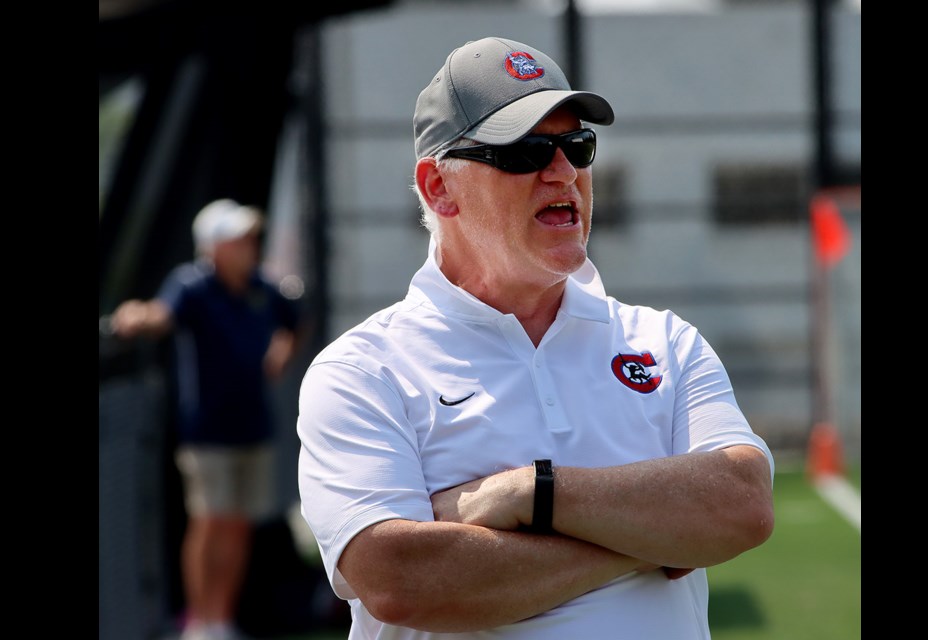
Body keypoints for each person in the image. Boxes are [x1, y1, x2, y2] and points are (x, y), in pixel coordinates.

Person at [296, 36, 775, 639]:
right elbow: (399, 579)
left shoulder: (666, 342)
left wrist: (530, 493)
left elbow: (742, 504)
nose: (564, 171)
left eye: (578, 146)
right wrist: (656, 539)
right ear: (438, 186)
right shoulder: (362, 371)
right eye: (524, 152)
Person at [112, 199, 303, 640]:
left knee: (237, 525)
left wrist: (279, 357)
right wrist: (135, 315)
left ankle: (222, 620)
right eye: (238, 240)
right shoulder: (192, 285)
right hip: (206, 433)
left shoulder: (260, 286)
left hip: (252, 428)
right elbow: (160, 315)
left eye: (250, 239)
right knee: (209, 523)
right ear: (213, 247)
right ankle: (200, 622)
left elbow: (294, 321)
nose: (248, 247)